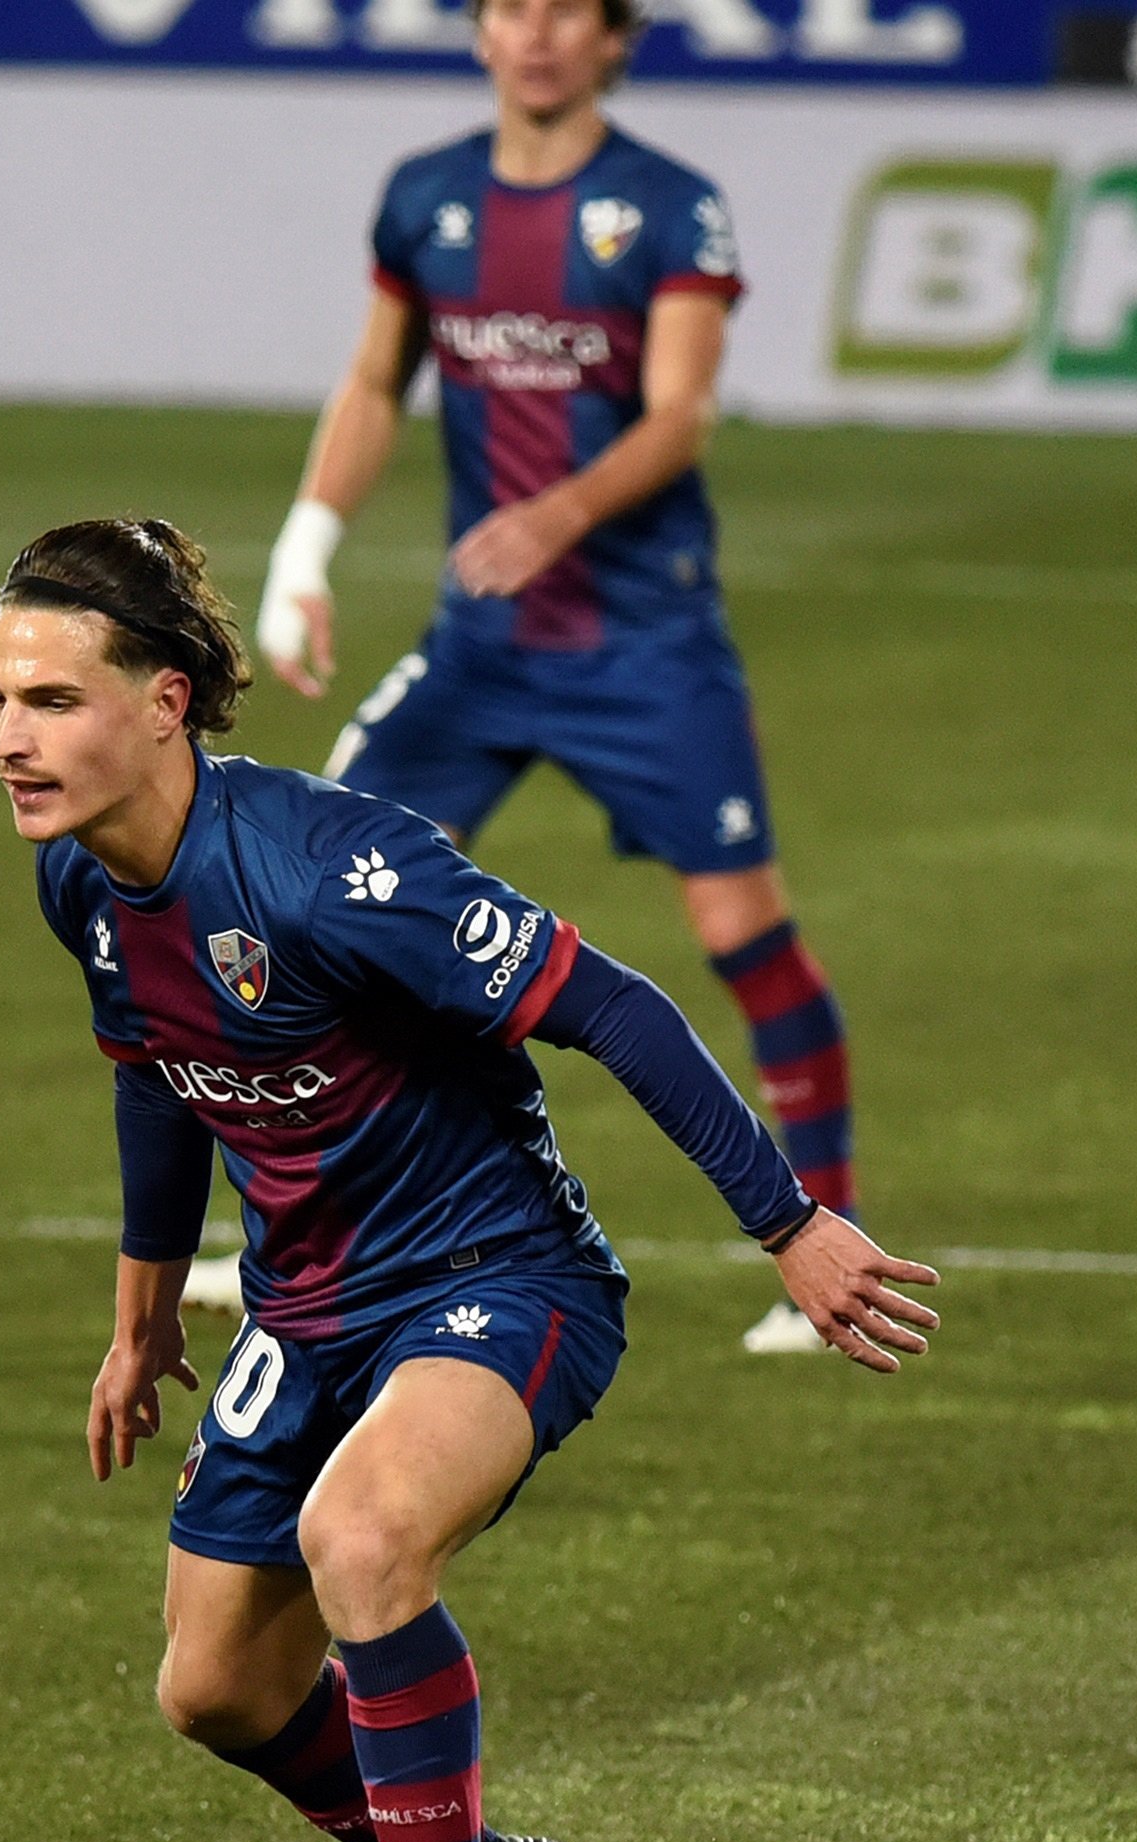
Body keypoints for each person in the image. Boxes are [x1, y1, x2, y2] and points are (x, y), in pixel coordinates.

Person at [0, 516, 938, 1842]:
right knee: (212, 1683)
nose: (12, 734)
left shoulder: (334, 868)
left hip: (501, 1276)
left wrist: (791, 1222)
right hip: (306, 1301)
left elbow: (616, 1002)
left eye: (55, 697)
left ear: (167, 700)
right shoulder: (80, 877)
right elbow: (155, 1070)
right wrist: (140, 1317)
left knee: (360, 1538)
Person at [252, 0, 855, 1357]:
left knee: (740, 932)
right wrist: (304, 552)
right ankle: (311, 1238)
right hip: (484, 645)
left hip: (644, 646)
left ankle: (829, 1234)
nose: (535, 36)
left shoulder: (668, 208)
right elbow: (370, 381)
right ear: (479, 34)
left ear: (614, 40)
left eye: (565, 13)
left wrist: (554, 516)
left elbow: (681, 414)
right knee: (312, 902)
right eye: (510, 10)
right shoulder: (427, 198)